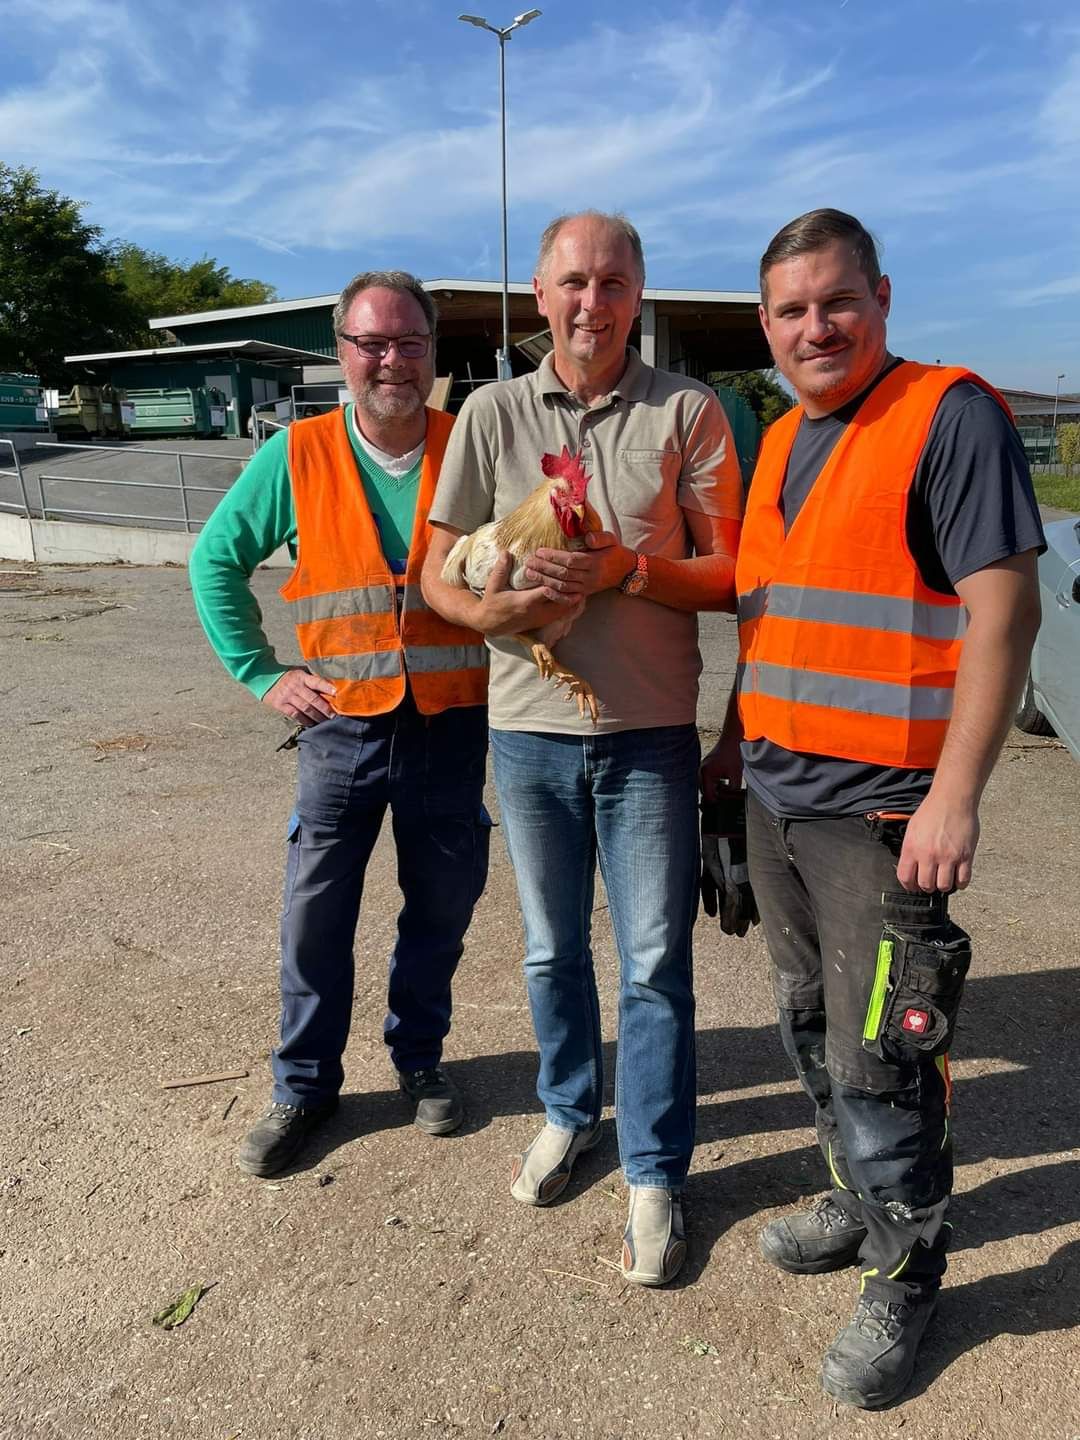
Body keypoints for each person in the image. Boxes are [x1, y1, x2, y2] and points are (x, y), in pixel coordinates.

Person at [703, 208, 1044, 1406]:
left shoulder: (948, 417)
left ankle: (907, 1273)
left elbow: (1005, 613)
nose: (816, 328)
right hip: (779, 796)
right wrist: (729, 747)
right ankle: (857, 1198)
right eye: (791, 311)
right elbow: (774, 620)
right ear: (766, 326)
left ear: (882, 299)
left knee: (886, 1055)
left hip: (887, 814)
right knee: (809, 1022)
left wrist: (957, 797)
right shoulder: (780, 442)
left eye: (837, 302)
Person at [421, 210, 743, 1286]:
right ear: (540, 293)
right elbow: (434, 570)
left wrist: (626, 571)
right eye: (573, 282)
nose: (591, 303)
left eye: (612, 283)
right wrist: (489, 611)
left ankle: (654, 1168)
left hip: (648, 734)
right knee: (551, 950)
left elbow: (734, 574)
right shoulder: (490, 412)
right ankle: (570, 1111)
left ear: (638, 295)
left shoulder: (688, 411)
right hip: (527, 732)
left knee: (654, 964)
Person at [190, 271, 491, 1177]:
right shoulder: (298, 454)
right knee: (316, 918)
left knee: (441, 908)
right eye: (371, 343)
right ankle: (304, 1086)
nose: (391, 360)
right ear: (342, 352)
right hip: (340, 730)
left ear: (434, 351)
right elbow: (215, 562)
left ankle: (419, 1058)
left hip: (452, 726)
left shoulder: (472, 445)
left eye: (409, 342)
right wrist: (262, 674)